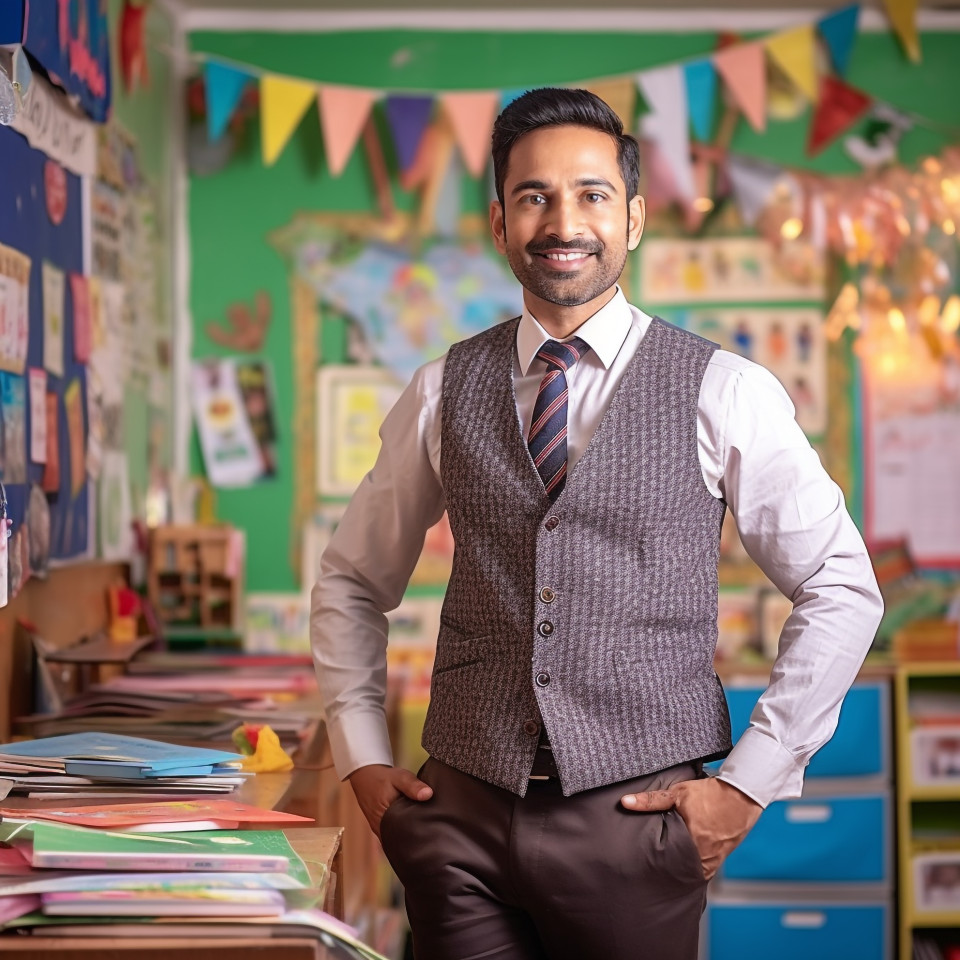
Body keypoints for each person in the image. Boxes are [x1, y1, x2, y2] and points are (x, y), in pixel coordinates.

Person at [311, 88, 883, 960]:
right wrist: (358, 755)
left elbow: (841, 586)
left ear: (634, 219)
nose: (563, 222)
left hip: (635, 825)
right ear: (499, 223)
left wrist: (748, 786)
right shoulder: (439, 389)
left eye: (592, 194)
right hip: (459, 818)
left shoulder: (725, 391)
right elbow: (352, 580)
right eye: (533, 196)